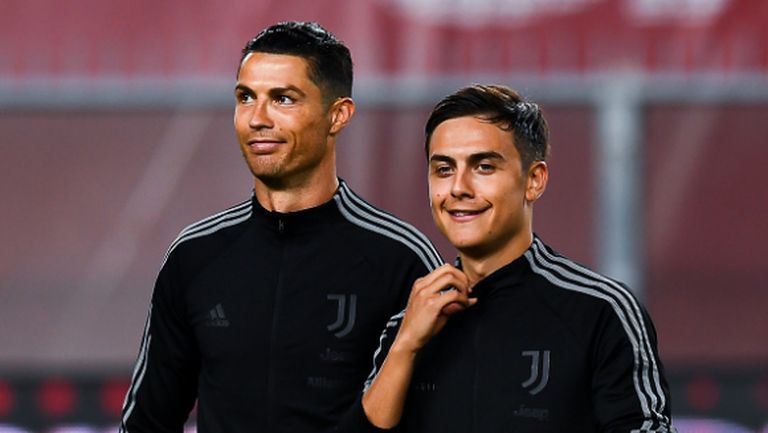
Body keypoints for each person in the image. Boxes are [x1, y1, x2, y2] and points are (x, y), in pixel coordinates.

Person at [119, 21, 441, 433]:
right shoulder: (194, 256)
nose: (257, 118)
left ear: (338, 115)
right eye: (246, 97)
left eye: (283, 99)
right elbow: (146, 423)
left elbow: (443, 414)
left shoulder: (401, 259)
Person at [358, 84, 676, 432]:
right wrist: (405, 345)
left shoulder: (601, 311)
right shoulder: (408, 322)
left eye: (483, 167)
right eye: (444, 169)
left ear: (534, 180)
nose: (458, 188)